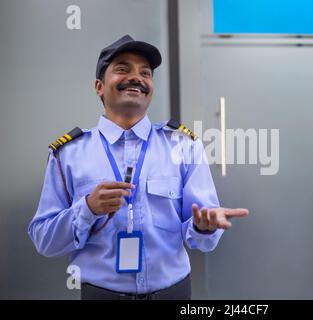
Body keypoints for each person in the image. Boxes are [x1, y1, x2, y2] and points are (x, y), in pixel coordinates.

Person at [28, 34, 249, 300]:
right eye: (122, 69)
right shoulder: (67, 155)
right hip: (102, 295)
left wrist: (204, 227)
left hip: (173, 293)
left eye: (146, 73)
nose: (137, 77)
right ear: (99, 86)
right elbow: (44, 240)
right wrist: (87, 208)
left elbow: (202, 238)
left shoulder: (184, 146)